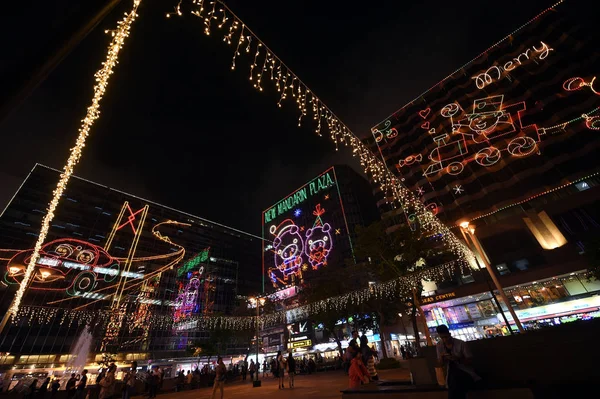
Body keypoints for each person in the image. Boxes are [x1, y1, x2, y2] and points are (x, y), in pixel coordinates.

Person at [436, 325, 481, 399]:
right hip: (450, 374)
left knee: (455, 381)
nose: (445, 340)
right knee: (455, 381)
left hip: (465, 372)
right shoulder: (439, 345)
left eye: (446, 337)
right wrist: (442, 358)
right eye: (442, 338)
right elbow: (440, 364)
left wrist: (457, 359)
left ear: (450, 334)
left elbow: (470, 361)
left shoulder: (461, 344)